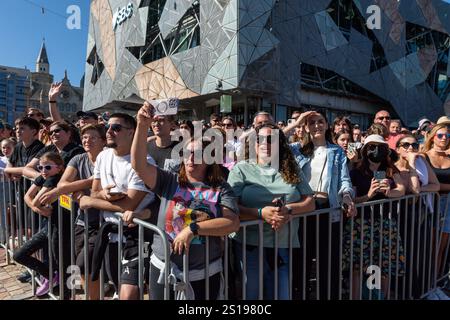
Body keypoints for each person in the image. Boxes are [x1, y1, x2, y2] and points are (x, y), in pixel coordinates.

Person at [131, 102, 240, 300]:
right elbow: (138, 165)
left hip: (203, 272)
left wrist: (192, 230)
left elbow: (231, 222)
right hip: (162, 267)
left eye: (198, 154)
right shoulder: (169, 180)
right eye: (187, 153)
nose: (191, 158)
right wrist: (141, 125)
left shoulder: (221, 188)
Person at [228, 123, 315, 300]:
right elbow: (230, 207)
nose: (265, 143)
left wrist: (288, 210)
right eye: (260, 139)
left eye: (271, 139)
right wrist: (260, 213)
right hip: (249, 245)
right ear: (254, 144)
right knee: (251, 297)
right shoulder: (241, 168)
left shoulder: (292, 168)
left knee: (281, 295)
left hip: (282, 246)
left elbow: (310, 202)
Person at [79, 113, 156, 300]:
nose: (110, 132)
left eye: (116, 128)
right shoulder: (104, 156)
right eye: (108, 127)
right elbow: (95, 190)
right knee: (116, 284)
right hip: (110, 233)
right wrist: (104, 196)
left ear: (131, 133)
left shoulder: (143, 163)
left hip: (136, 234)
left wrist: (90, 201)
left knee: (129, 293)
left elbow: (130, 204)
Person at [290, 111, 355, 299]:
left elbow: (344, 181)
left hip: (328, 208)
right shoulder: (296, 149)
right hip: (303, 209)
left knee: (329, 261)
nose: (316, 125)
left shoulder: (336, 152)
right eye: (311, 122)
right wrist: (297, 123)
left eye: (320, 122)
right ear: (305, 127)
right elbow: (273, 142)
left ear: (327, 125)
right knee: (301, 260)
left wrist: (347, 197)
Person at [39, 124, 107, 300]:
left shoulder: (109, 159)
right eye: (84, 137)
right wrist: (89, 182)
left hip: (104, 222)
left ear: (103, 141)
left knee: (85, 266)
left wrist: (76, 189)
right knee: (85, 269)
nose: (87, 140)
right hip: (81, 221)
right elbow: (62, 184)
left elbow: (106, 189)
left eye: (92, 137)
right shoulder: (78, 159)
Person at [342, 134, 406, 299]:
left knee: (382, 266)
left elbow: (402, 190)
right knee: (358, 266)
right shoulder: (355, 172)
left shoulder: (391, 170)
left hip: (385, 224)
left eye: (380, 147)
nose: (376, 151)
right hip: (360, 225)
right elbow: (351, 199)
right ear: (364, 150)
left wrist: (389, 192)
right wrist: (368, 195)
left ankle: (378, 297)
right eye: (372, 147)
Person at [15, 152, 65, 297]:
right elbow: (27, 197)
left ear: (59, 168)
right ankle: (51, 276)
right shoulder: (44, 177)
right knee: (20, 255)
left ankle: (53, 278)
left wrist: (36, 206)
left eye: (48, 167)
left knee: (55, 258)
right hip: (47, 225)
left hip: (59, 226)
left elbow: (35, 199)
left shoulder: (53, 179)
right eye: (40, 167)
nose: (43, 171)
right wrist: (39, 210)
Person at [422, 123, 450, 277]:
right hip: (428, 205)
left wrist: (438, 186)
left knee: (440, 248)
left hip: (448, 206)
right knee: (428, 248)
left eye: (447, 135)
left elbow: (436, 185)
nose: (444, 138)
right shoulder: (423, 156)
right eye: (440, 135)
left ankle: (435, 283)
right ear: (432, 137)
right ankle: (424, 283)